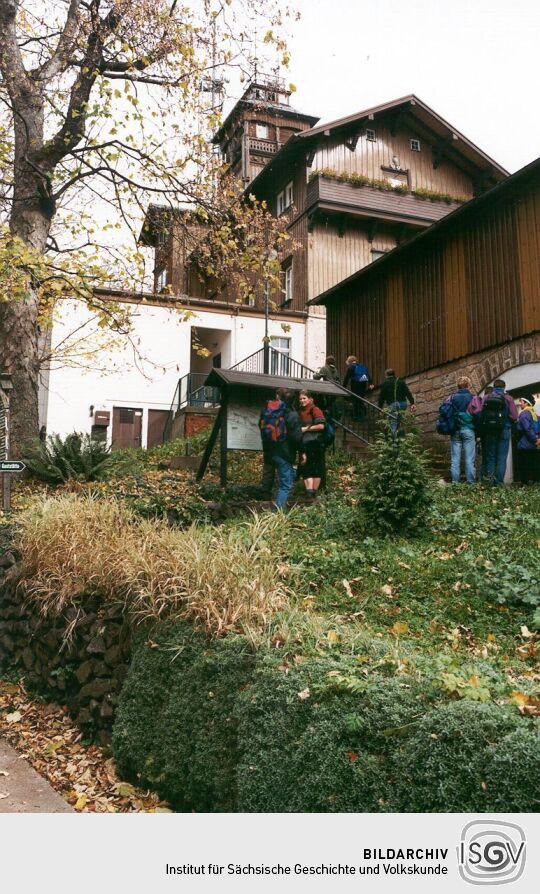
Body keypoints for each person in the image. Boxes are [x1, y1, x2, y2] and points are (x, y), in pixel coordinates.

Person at [259, 388, 302, 510]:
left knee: (280, 477)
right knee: (286, 485)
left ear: (278, 397)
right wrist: (302, 451)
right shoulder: (291, 414)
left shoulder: (267, 411)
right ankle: (277, 513)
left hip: (269, 450)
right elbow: (296, 437)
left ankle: (268, 498)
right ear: (293, 400)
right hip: (284, 453)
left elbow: (261, 427)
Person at [479, 378, 518, 485]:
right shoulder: (508, 398)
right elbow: (514, 416)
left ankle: (490, 482)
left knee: (491, 457)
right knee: (501, 457)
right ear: (504, 387)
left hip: (490, 431)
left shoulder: (486, 397)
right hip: (504, 429)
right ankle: (499, 483)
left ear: (494, 387)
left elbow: (480, 413)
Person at [446, 376, 476, 484]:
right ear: (468, 385)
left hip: (455, 430)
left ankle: (455, 483)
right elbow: (477, 414)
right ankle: (471, 483)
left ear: (458, 386)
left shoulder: (452, 397)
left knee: (455, 459)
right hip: (468, 429)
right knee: (469, 459)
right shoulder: (473, 397)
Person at [297, 389, 326, 499]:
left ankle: (312, 492)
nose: (302, 401)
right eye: (300, 399)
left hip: (315, 443)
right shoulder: (300, 411)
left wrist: (305, 429)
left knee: (316, 467)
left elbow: (321, 426)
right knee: (306, 467)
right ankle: (309, 492)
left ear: (310, 399)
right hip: (304, 444)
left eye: (304, 398)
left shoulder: (315, 410)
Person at [377, 368, 416, 435]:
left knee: (393, 423)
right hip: (403, 404)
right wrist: (412, 403)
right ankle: (402, 439)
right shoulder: (401, 382)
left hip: (393, 404)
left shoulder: (385, 384)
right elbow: (408, 393)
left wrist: (380, 408)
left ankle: (394, 442)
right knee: (401, 422)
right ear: (394, 374)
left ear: (386, 375)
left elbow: (381, 397)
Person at [515, 397, 540, 483]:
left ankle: (524, 483)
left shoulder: (524, 414)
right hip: (534, 444)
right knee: (534, 463)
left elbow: (527, 429)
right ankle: (536, 482)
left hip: (525, 443)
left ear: (526, 403)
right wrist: (538, 439)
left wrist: (534, 439)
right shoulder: (534, 414)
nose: (520, 403)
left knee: (523, 464)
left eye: (521, 402)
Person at [343, 355, 373, 419]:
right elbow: (368, 376)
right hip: (363, 387)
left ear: (350, 361)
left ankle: (357, 416)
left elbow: (346, 378)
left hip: (355, 387)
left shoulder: (351, 368)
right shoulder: (362, 366)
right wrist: (371, 384)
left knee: (355, 401)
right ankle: (362, 415)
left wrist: (343, 387)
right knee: (361, 400)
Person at [313, 355, 341, 419]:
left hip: (328, 388)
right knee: (332, 403)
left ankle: (331, 418)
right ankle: (335, 417)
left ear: (326, 361)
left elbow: (317, 377)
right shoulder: (335, 369)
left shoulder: (324, 368)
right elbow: (338, 379)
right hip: (335, 388)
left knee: (328, 404)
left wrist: (314, 375)